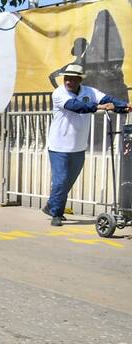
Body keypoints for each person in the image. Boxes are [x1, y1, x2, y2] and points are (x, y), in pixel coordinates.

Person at [45, 64, 127, 226]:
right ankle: (56, 213)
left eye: (73, 78)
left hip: (79, 146)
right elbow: (76, 107)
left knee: (68, 181)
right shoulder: (59, 93)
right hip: (59, 146)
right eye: (66, 78)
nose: (69, 81)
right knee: (61, 181)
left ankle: (51, 205)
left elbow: (108, 100)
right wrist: (100, 107)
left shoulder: (90, 92)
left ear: (79, 79)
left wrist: (123, 106)